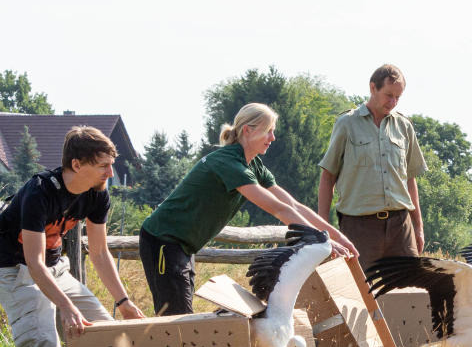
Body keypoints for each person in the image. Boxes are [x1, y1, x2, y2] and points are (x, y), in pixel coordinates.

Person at [139, 102, 359, 316]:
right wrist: (323, 242)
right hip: (163, 241)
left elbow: (293, 205)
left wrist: (338, 237)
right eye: (268, 131)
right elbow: (277, 208)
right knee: (177, 321)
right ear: (247, 130)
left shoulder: (253, 165)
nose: (273, 138)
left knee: (181, 319)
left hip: (183, 245)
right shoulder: (230, 163)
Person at [0, 126, 145, 347]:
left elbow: (99, 252)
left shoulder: (98, 195)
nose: (110, 173)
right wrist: (66, 306)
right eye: (103, 165)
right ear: (77, 164)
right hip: (15, 272)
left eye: (111, 164)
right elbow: (34, 263)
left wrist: (123, 301)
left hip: (55, 270)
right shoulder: (40, 192)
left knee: (106, 334)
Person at [318, 64, 427, 271]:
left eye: (398, 97)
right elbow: (327, 176)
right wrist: (324, 228)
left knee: (410, 294)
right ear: (372, 88)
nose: (393, 102)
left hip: (400, 227)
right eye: (388, 95)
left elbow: (410, 179)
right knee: (360, 295)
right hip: (358, 227)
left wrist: (418, 228)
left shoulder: (404, 126)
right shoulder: (346, 124)